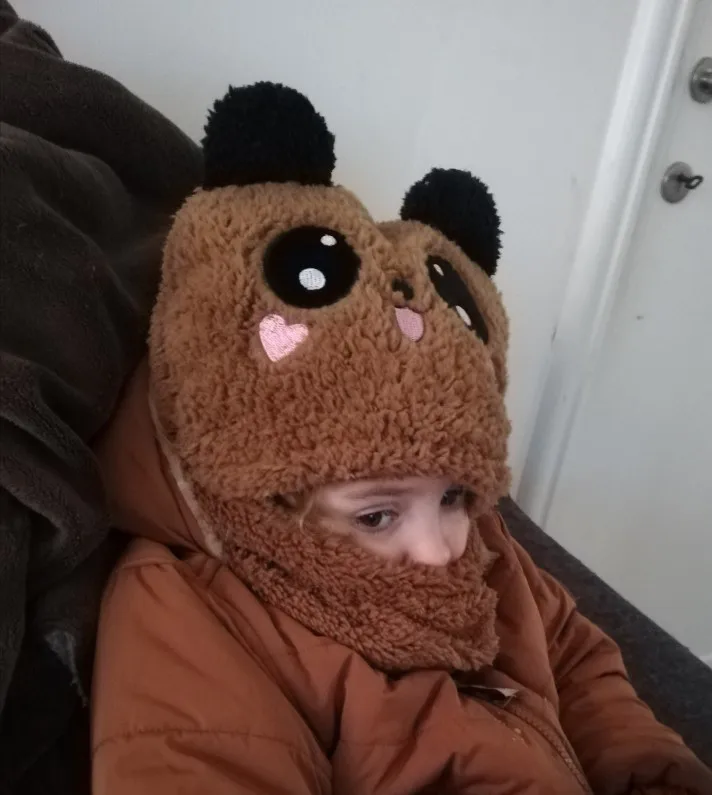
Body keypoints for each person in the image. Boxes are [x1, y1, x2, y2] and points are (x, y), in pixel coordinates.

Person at [91, 83, 712, 794]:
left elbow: (573, 654)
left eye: (453, 496)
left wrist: (650, 770)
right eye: (377, 515)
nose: (442, 550)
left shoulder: (480, 543)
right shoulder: (189, 619)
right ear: (264, 492)